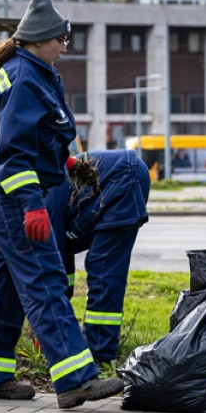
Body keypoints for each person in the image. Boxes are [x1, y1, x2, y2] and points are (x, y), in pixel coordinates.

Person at [0, 0, 124, 409]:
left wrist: (64, 162)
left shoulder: (34, 72)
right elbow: (14, 152)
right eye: (60, 39)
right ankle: (75, 378)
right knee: (44, 276)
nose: (64, 46)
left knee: (7, 285)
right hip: (10, 193)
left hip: (2, 190)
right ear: (39, 39)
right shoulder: (25, 79)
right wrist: (32, 205)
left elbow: (29, 139)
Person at [46, 149, 152, 371]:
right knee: (102, 266)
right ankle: (95, 345)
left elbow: (51, 265)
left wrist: (51, 326)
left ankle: (100, 354)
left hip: (122, 177)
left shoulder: (42, 203)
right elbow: (62, 267)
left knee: (104, 267)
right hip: (115, 178)